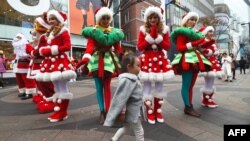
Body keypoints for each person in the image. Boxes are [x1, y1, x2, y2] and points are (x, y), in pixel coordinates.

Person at [76, 7, 124, 124]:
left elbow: (118, 49)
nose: (106, 20)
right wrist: (86, 58)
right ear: (99, 19)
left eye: (108, 18)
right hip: (97, 60)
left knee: (107, 87)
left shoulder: (115, 32)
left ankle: (108, 111)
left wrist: (123, 61)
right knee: (98, 87)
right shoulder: (93, 31)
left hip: (109, 60)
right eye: (103, 18)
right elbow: (90, 47)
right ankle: (102, 111)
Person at [36, 10, 77, 122]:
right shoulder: (49, 33)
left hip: (60, 62)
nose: (51, 21)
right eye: (50, 19)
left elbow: (67, 46)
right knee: (56, 87)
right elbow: (42, 48)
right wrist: (42, 50)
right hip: (51, 63)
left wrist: (51, 50)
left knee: (62, 86)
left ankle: (62, 112)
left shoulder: (64, 31)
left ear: (58, 19)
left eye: (53, 18)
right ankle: (59, 110)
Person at [137, 6, 174, 124]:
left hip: (159, 58)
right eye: (150, 17)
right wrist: (149, 38)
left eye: (155, 17)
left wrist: (158, 39)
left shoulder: (165, 30)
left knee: (159, 86)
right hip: (147, 58)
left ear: (159, 18)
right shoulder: (142, 29)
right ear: (147, 18)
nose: (153, 19)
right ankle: (149, 110)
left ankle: (158, 110)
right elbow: (140, 47)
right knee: (147, 85)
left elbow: (168, 46)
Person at [170, 12, 212, 117]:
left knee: (191, 86)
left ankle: (189, 106)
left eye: (195, 20)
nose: (193, 22)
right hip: (186, 59)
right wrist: (195, 43)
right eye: (191, 19)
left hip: (194, 59)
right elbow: (180, 48)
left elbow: (199, 45)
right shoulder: (181, 32)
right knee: (186, 85)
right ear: (186, 21)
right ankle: (188, 107)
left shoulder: (194, 33)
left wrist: (206, 43)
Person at [104, 52, 144, 141]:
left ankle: (114, 139)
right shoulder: (128, 81)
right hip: (133, 112)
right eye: (138, 66)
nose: (139, 68)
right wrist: (121, 112)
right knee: (139, 131)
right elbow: (121, 98)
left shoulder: (132, 78)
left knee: (127, 128)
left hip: (132, 111)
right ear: (129, 67)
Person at [25, 14, 56, 113]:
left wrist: (30, 51)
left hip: (42, 65)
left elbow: (39, 51)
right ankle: (46, 98)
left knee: (45, 84)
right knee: (41, 84)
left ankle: (51, 100)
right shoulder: (40, 38)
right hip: (39, 65)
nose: (33, 31)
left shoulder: (44, 37)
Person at [198, 26, 223, 108]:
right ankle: (206, 100)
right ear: (205, 33)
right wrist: (210, 52)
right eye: (209, 32)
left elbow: (214, 51)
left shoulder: (211, 41)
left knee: (211, 82)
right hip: (207, 63)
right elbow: (202, 51)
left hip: (213, 62)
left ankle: (208, 99)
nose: (211, 33)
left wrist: (215, 52)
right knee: (209, 82)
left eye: (212, 32)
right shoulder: (203, 41)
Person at [12, 33, 37, 99]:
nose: (17, 39)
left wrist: (26, 56)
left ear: (22, 38)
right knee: (19, 79)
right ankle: (23, 91)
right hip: (17, 66)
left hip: (25, 65)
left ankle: (30, 93)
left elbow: (33, 53)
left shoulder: (27, 45)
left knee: (27, 79)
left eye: (19, 37)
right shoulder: (16, 47)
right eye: (16, 37)